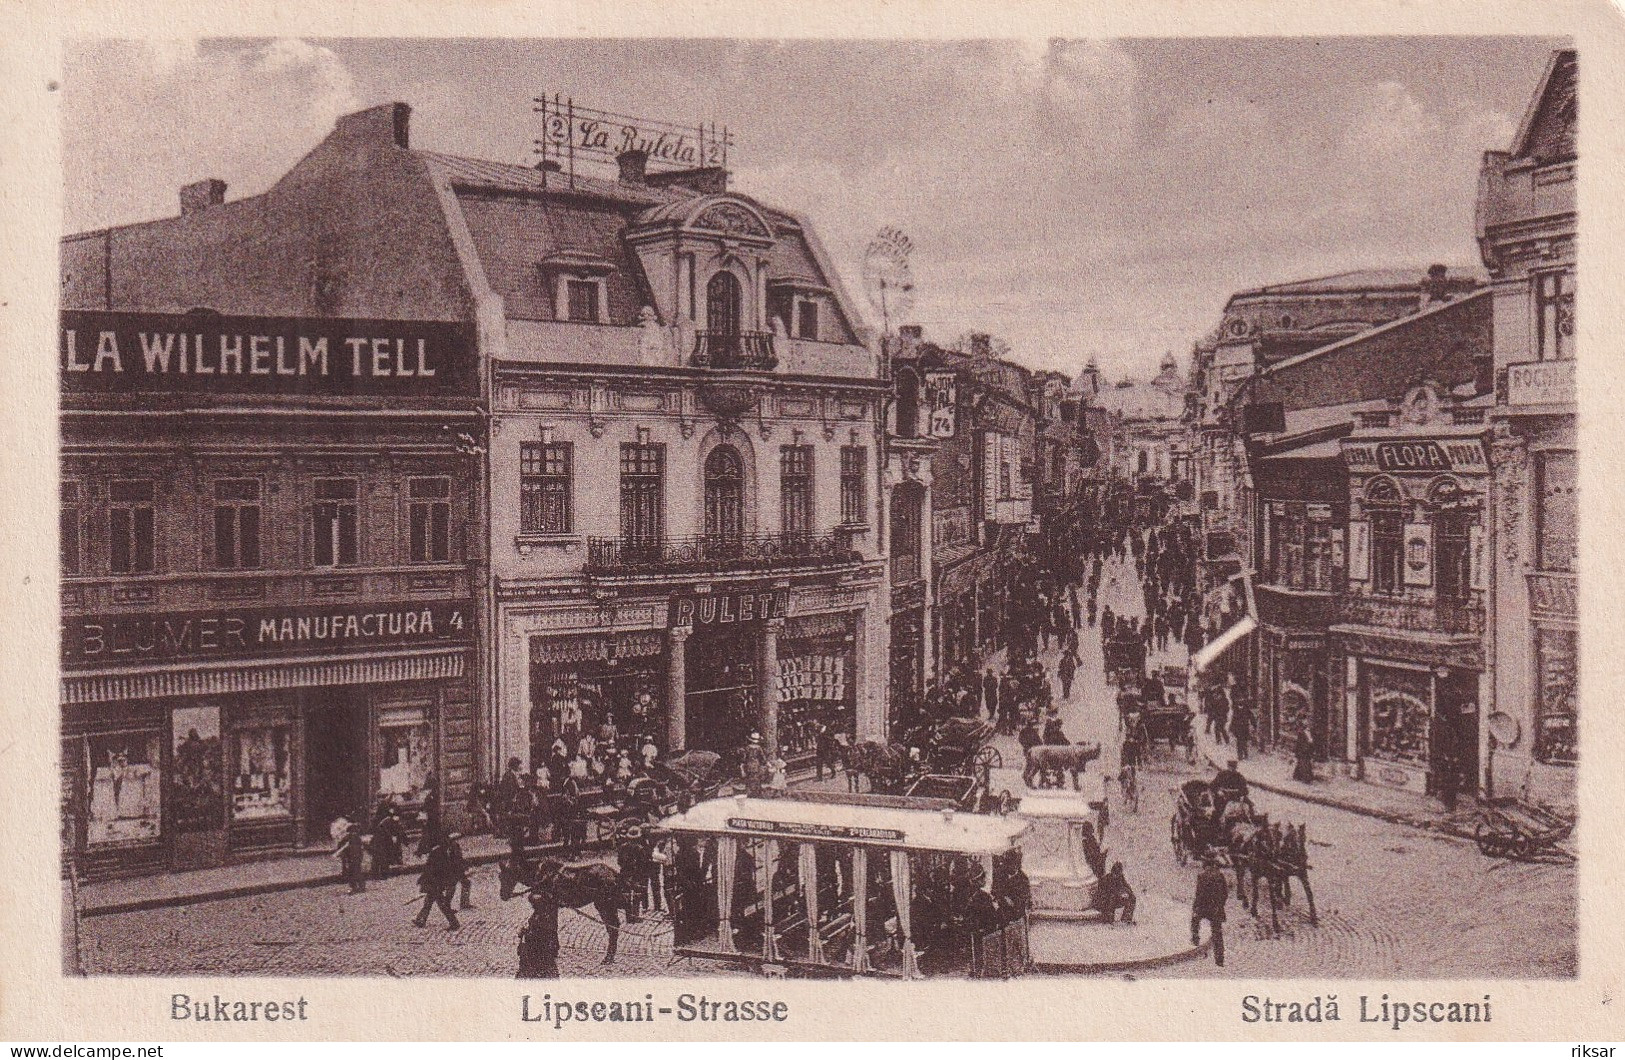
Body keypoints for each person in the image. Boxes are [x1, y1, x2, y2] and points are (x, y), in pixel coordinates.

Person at [413, 833, 463, 930]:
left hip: (434, 882)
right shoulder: (440, 851)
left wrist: (424, 879)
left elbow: (432, 869)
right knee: (428, 901)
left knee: (441, 904)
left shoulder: (437, 853)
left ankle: (454, 923)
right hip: (436, 882)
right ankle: (421, 919)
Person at [1192, 855, 1229, 966]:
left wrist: (1196, 908)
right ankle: (1220, 958)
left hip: (1204, 908)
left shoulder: (1202, 876)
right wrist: (1220, 905)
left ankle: (1195, 938)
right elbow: (1225, 893)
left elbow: (1199, 895)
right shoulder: (1220, 876)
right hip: (1216, 909)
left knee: (1194, 921)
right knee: (1217, 932)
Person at [516, 890, 561, 979]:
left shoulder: (542, 918)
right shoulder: (542, 915)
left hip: (538, 954)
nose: (532, 906)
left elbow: (537, 935)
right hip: (539, 954)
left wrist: (523, 932)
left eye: (534, 904)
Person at [370, 801, 405, 880]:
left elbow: (399, 831)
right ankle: (381, 874)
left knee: (379, 858)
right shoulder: (386, 821)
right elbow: (386, 830)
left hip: (381, 840)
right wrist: (391, 837)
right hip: (381, 841)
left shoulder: (390, 821)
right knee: (382, 858)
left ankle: (379, 874)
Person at [333, 819, 367, 894]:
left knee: (353, 872)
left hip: (353, 857)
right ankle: (361, 886)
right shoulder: (355, 838)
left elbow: (342, 845)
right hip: (355, 857)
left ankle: (355, 887)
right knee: (357, 872)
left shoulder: (349, 838)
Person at [739, 732, 770, 796]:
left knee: (749, 778)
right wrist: (766, 763)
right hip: (756, 764)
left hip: (749, 764)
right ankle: (756, 792)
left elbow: (744, 758)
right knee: (756, 778)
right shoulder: (758, 748)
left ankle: (749, 792)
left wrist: (743, 765)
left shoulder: (747, 748)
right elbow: (762, 757)